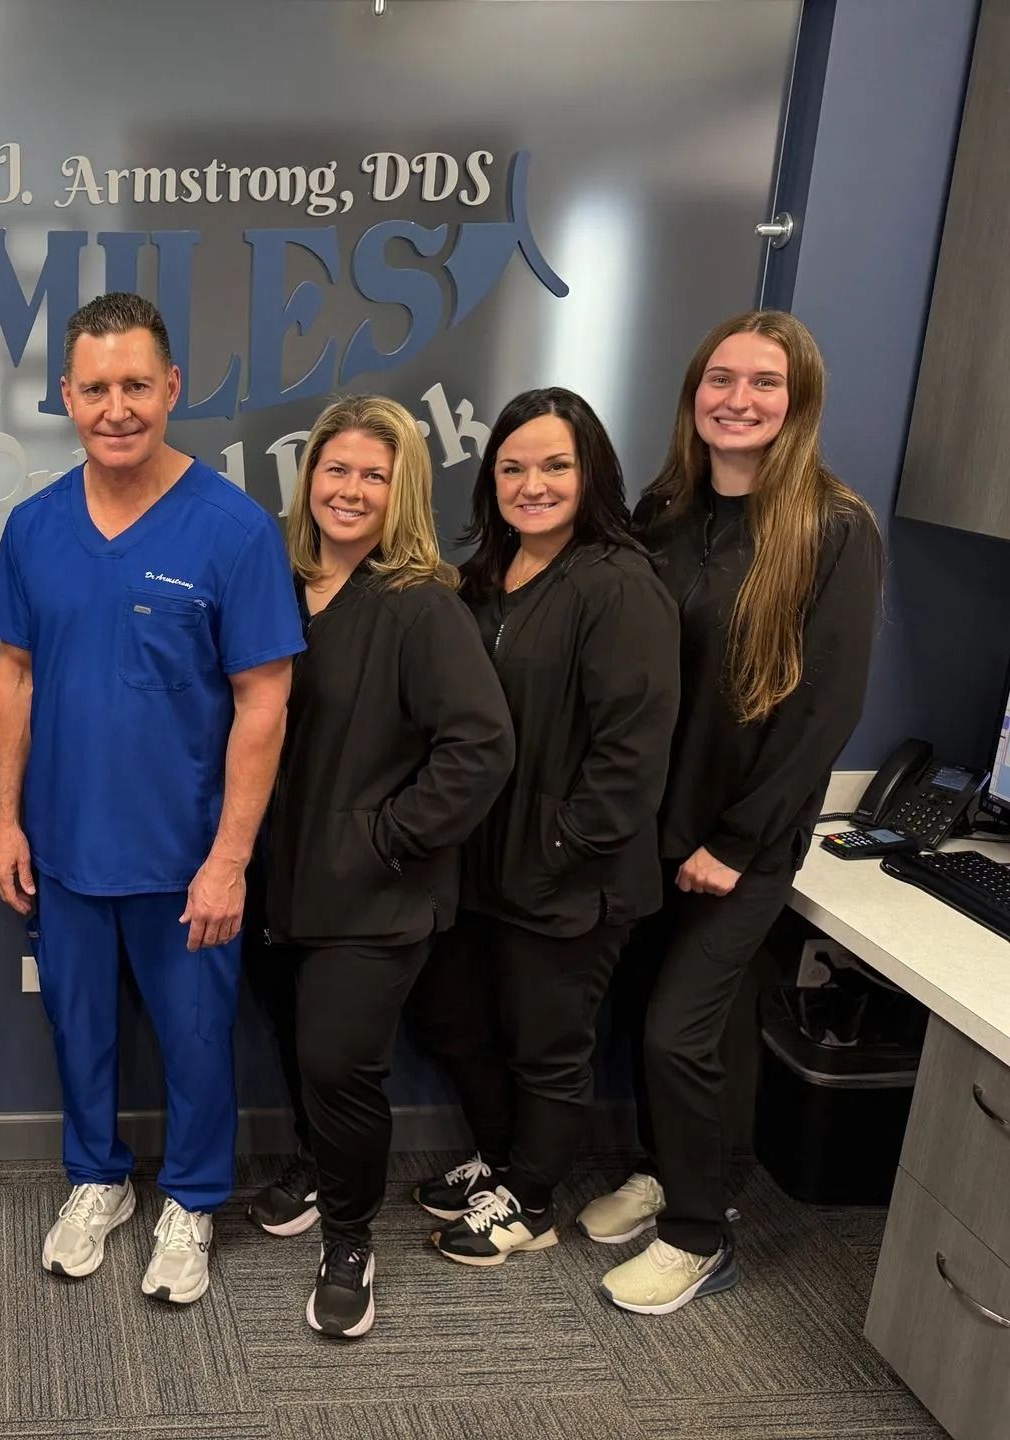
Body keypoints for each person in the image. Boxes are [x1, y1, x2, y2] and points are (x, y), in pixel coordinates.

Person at [0, 292, 303, 1308]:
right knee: (79, 1031)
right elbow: (16, 675)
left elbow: (265, 699)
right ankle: (96, 1181)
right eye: (94, 388)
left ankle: (195, 1200)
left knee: (199, 1042)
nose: (114, 407)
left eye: (135, 385)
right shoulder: (34, 528)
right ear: (65, 397)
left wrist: (229, 861)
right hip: (67, 848)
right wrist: (4, 817)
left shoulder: (233, 529)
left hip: (184, 858)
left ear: (170, 388)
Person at [587, 310, 882, 1314]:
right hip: (650, 824)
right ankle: (675, 1170)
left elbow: (826, 708)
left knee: (682, 1033)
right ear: (694, 394)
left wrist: (736, 839)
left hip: (741, 839)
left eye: (764, 383)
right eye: (721, 379)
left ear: (797, 402)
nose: (738, 400)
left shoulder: (834, 529)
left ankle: (697, 1232)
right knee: (652, 1018)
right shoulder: (667, 510)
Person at [405, 388, 679, 1265]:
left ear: (590, 469)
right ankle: (500, 1159)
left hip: (571, 877)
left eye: (555, 465)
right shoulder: (486, 579)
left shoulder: (619, 584)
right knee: (461, 1022)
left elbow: (631, 755)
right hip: (481, 862)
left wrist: (562, 845)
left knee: (546, 1046)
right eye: (513, 467)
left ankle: (530, 1202)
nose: (533, 484)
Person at [265, 394, 513, 1337]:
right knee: (297, 1050)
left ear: (401, 489)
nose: (352, 490)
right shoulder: (278, 582)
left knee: (339, 1063)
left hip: (374, 891)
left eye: (376, 474)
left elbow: (480, 748)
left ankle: (350, 1238)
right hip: (272, 882)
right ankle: (318, 1169)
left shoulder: (420, 604)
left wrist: (387, 837)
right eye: (338, 470)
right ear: (310, 478)